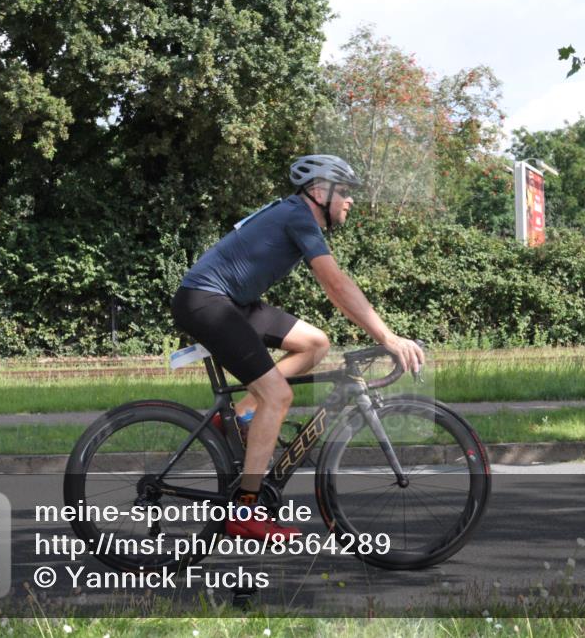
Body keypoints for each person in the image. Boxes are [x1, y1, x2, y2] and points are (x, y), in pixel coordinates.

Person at [172, 155, 425, 540]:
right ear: (319, 192)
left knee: (315, 343)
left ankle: (237, 418)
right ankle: (245, 510)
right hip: (207, 302)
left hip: (232, 303)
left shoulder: (295, 214)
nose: (349, 200)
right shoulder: (297, 216)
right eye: (344, 192)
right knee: (277, 395)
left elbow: (336, 289)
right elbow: (336, 286)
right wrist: (387, 337)